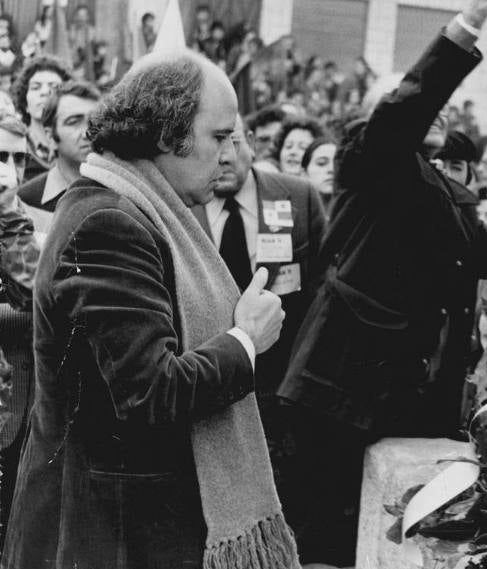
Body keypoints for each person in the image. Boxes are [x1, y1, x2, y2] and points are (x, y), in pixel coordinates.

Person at [1, 50, 299, 569]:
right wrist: (246, 340)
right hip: (106, 538)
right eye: (218, 136)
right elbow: (149, 394)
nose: (230, 155)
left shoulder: (136, 207)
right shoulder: (109, 223)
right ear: (166, 136)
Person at [276, 0, 487, 564]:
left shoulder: (446, 191)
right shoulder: (371, 155)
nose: (438, 110)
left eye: (444, 107)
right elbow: (407, 106)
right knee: (319, 534)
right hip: (339, 385)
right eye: (420, 98)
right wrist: (467, 26)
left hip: (406, 393)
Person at [194, 113, 327, 536]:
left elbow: (324, 293)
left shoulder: (297, 197)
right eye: (214, 144)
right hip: (210, 388)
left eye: (234, 141)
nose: (226, 157)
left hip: (286, 390)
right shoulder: (184, 204)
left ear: (250, 140)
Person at [0, 112, 38, 553]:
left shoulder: (25, 221)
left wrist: (9, 217)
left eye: (18, 159)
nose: (9, 170)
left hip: (24, 413)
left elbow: (36, 300)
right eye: (0, 156)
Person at [17, 80, 100, 227]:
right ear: (50, 137)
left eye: (95, 121)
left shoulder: (121, 190)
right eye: (74, 122)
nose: (87, 132)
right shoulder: (27, 199)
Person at [10, 56, 72, 181]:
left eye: (54, 87)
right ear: (25, 103)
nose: (45, 92)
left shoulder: (80, 148)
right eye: (35, 87)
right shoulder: (11, 149)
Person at [299, 137, 336, 209]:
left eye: (337, 164)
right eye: (321, 163)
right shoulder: (289, 214)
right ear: (304, 174)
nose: (331, 169)